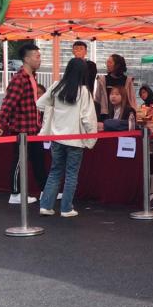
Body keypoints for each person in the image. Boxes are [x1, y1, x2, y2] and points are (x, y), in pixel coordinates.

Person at [36, 58, 98, 218]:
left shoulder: (57, 86)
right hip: (75, 139)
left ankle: (46, 206)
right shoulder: (83, 91)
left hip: (57, 138)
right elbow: (87, 118)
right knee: (71, 174)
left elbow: (40, 104)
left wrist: (54, 110)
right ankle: (66, 208)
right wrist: (92, 137)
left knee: (55, 171)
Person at [0, 44, 49, 204]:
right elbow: (8, 103)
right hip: (22, 129)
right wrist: (0, 124)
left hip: (33, 127)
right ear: (26, 59)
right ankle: (15, 193)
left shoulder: (32, 77)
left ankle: (46, 190)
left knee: (38, 159)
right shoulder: (19, 79)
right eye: (37, 56)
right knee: (19, 161)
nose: (39, 59)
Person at [94, 53, 136, 121]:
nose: (107, 64)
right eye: (107, 62)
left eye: (110, 62)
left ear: (117, 65)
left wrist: (133, 115)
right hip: (105, 115)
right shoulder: (103, 80)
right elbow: (97, 99)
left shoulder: (128, 81)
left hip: (123, 116)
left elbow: (132, 100)